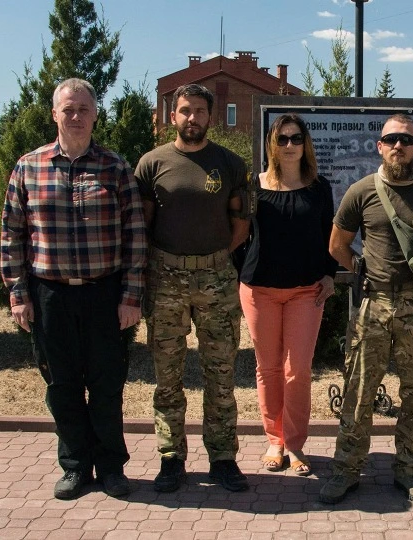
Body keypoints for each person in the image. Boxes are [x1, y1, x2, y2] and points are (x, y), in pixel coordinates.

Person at [0, 78, 147, 500]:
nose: (77, 116)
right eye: (69, 109)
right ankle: (75, 466)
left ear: (96, 114)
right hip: (50, 295)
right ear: (55, 114)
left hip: (104, 294)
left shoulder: (115, 167)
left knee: (106, 384)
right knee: (62, 385)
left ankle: (112, 467)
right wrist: (18, 294)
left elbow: (135, 236)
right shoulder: (29, 166)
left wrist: (131, 295)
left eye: (84, 109)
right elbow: (11, 235)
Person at [319, 113, 413, 505]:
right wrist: (360, 271)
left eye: (406, 139)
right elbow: (337, 244)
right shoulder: (362, 192)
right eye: (391, 139)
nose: (399, 146)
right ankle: (346, 471)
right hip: (375, 305)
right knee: (359, 392)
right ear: (380, 146)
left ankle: (409, 470)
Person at [135, 83, 254, 493]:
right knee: (167, 375)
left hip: (216, 280)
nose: (192, 118)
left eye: (200, 111)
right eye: (185, 110)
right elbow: (144, 225)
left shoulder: (230, 164)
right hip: (166, 279)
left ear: (211, 116)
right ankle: (171, 457)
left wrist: (212, 257)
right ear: (173, 115)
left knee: (220, 374)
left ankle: (222, 457)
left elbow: (241, 225)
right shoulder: (152, 164)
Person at [239, 114, 337, 477]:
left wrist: (329, 274)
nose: (290, 146)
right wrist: (240, 276)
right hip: (259, 290)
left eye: (297, 138)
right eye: (283, 139)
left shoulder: (319, 187)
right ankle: (274, 440)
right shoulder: (256, 185)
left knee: (297, 370)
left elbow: (332, 235)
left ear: (306, 143)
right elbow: (239, 234)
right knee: (267, 369)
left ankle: (295, 444)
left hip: (305, 291)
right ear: (272, 145)